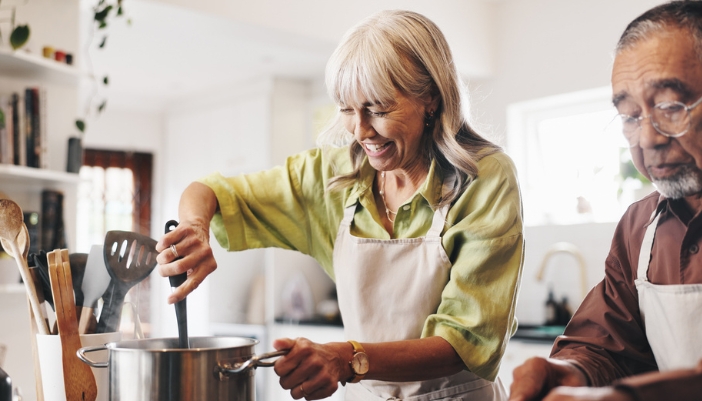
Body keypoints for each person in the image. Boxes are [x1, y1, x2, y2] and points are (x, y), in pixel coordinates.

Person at [157, 9, 524, 401]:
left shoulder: (484, 178)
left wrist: (348, 359)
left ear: (430, 97)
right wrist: (195, 228)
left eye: (379, 110)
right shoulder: (334, 176)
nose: (361, 131)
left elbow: (465, 340)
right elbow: (209, 191)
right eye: (348, 109)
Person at [508, 1, 702, 401]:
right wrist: (570, 372)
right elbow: (608, 346)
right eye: (631, 116)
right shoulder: (639, 227)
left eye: (668, 107)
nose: (647, 139)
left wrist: (630, 397)